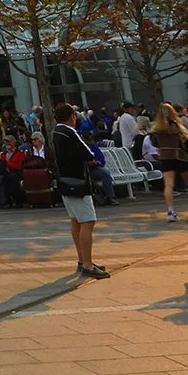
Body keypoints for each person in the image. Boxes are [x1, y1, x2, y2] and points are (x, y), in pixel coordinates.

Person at [51, 103, 108, 278]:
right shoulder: (70, 132)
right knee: (88, 221)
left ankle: (82, 259)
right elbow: (87, 153)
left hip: (65, 181)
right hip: (78, 181)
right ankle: (88, 264)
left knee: (75, 221)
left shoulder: (56, 132)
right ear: (71, 117)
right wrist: (91, 160)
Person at [142, 103, 188, 221]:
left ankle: (171, 211)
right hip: (180, 157)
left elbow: (154, 143)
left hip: (165, 157)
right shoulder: (177, 126)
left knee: (168, 185)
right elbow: (187, 138)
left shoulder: (157, 128)